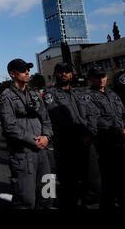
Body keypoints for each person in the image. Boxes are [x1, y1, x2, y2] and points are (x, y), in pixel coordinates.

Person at [43, 62, 100, 209]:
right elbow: (58, 119)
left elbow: (92, 114)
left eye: (67, 71)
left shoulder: (80, 94)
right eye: (60, 71)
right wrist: (80, 136)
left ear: (71, 74)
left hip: (87, 143)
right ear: (55, 74)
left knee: (92, 182)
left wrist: (90, 133)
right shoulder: (50, 95)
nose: (64, 74)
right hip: (66, 145)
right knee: (69, 185)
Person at [0, 59, 53, 209]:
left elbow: (46, 118)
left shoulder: (35, 94)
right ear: (12, 74)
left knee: (48, 194)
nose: (27, 72)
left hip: (42, 151)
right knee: (25, 199)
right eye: (23, 70)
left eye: (28, 69)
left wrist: (47, 136)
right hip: (23, 154)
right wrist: (33, 140)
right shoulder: (7, 96)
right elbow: (9, 126)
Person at [87, 67, 125, 209]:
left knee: (121, 178)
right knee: (108, 179)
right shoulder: (88, 96)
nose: (101, 79)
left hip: (120, 140)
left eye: (103, 76)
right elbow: (96, 119)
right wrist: (119, 129)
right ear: (90, 78)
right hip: (105, 143)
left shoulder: (113, 94)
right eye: (97, 77)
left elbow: (122, 113)